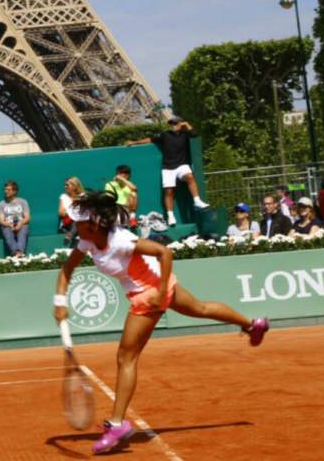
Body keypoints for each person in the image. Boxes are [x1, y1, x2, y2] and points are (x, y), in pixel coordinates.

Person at [53, 191, 268, 454]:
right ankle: (252, 324)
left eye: (78, 222)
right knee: (200, 308)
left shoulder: (121, 240)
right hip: (153, 288)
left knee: (126, 358)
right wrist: (60, 302)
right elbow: (67, 269)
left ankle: (117, 424)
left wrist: (160, 290)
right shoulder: (87, 241)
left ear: (93, 224)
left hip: (149, 294)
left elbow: (164, 252)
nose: (74, 225)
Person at [125, 116, 209, 226]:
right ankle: (170, 216)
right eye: (172, 124)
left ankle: (197, 201)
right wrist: (134, 142)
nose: (173, 125)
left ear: (180, 124)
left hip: (182, 165)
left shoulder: (186, 135)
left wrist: (187, 125)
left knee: (189, 176)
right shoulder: (165, 135)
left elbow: (195, 135)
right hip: (168, 168)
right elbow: (150, 139)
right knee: (169, 191)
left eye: (175, 123)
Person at [0, 181, 30, 257]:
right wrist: (9, 224)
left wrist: (20, 223)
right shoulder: (1, 204)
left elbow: (27, 218)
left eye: (8, 190)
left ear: (14, 191)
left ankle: (19, 251)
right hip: (8, 224)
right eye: (5, 189)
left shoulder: (23, 202)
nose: (5, 191)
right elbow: (1, 220)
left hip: (20, 223)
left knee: (24, 228)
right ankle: (16, 252)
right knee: (6, 229)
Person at [59, 176, 85, 242]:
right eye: (65, 185)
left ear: (74, 186)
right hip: (68, 224)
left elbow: (85, 211)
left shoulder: (82, 196)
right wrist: (73, 211)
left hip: (82, 222)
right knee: (77, 218)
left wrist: (68, 210)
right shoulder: (63, 197)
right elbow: (61, 213)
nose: (65, 187)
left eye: (67, 185)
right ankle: (72, 234)